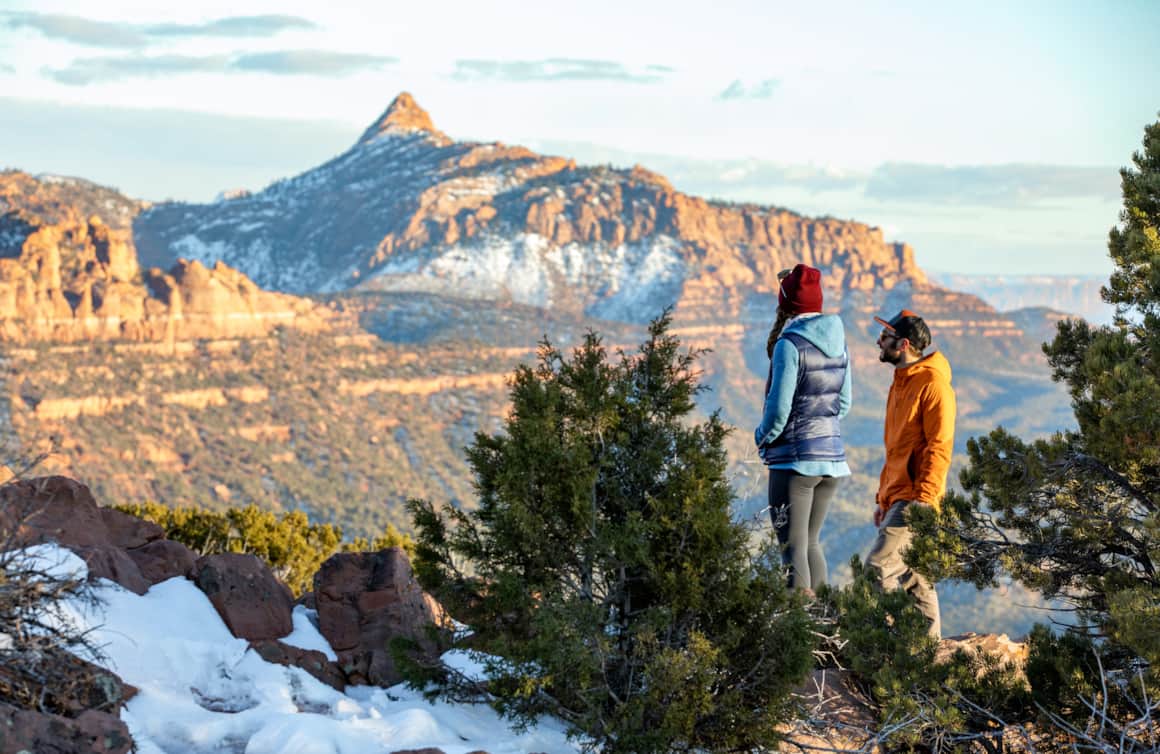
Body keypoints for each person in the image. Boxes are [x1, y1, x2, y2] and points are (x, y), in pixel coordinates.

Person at [754, 263, 852, 593]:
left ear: (786, 304)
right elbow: (845, 404)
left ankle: (800, 635)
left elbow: (778, 409)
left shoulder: (789, 344)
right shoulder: (839, 342)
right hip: (832, 460)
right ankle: (825, 627)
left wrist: (762, 436)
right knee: (811, 544)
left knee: (791, 549)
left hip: (794, 462)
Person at [868, 309, 956, 639]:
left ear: (903, 344)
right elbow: (896, 449)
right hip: (899, 494)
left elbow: (940, 445)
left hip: (917, 496)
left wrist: (924, 497)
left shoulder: (932, 385)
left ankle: (891, 646)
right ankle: (926, 651)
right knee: (913, 574)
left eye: (885, 338)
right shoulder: (901, 382)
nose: (879, 341)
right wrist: (883, 498)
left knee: (878, 566)